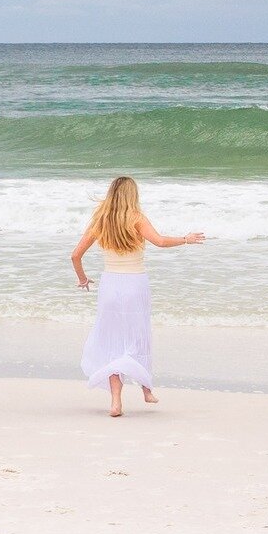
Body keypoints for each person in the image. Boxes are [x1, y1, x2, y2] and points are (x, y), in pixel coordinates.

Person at [71, 175, 206, 418]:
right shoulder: (136, 218)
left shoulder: (100, 221)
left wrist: (82, 279)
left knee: (112, 340)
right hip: (135, 284)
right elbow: (161, 241)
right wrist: (186, 239)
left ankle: (115, 402)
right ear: (133, 195)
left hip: (110, 286)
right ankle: (146, 390)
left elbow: (75, 256)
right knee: (138, 335)